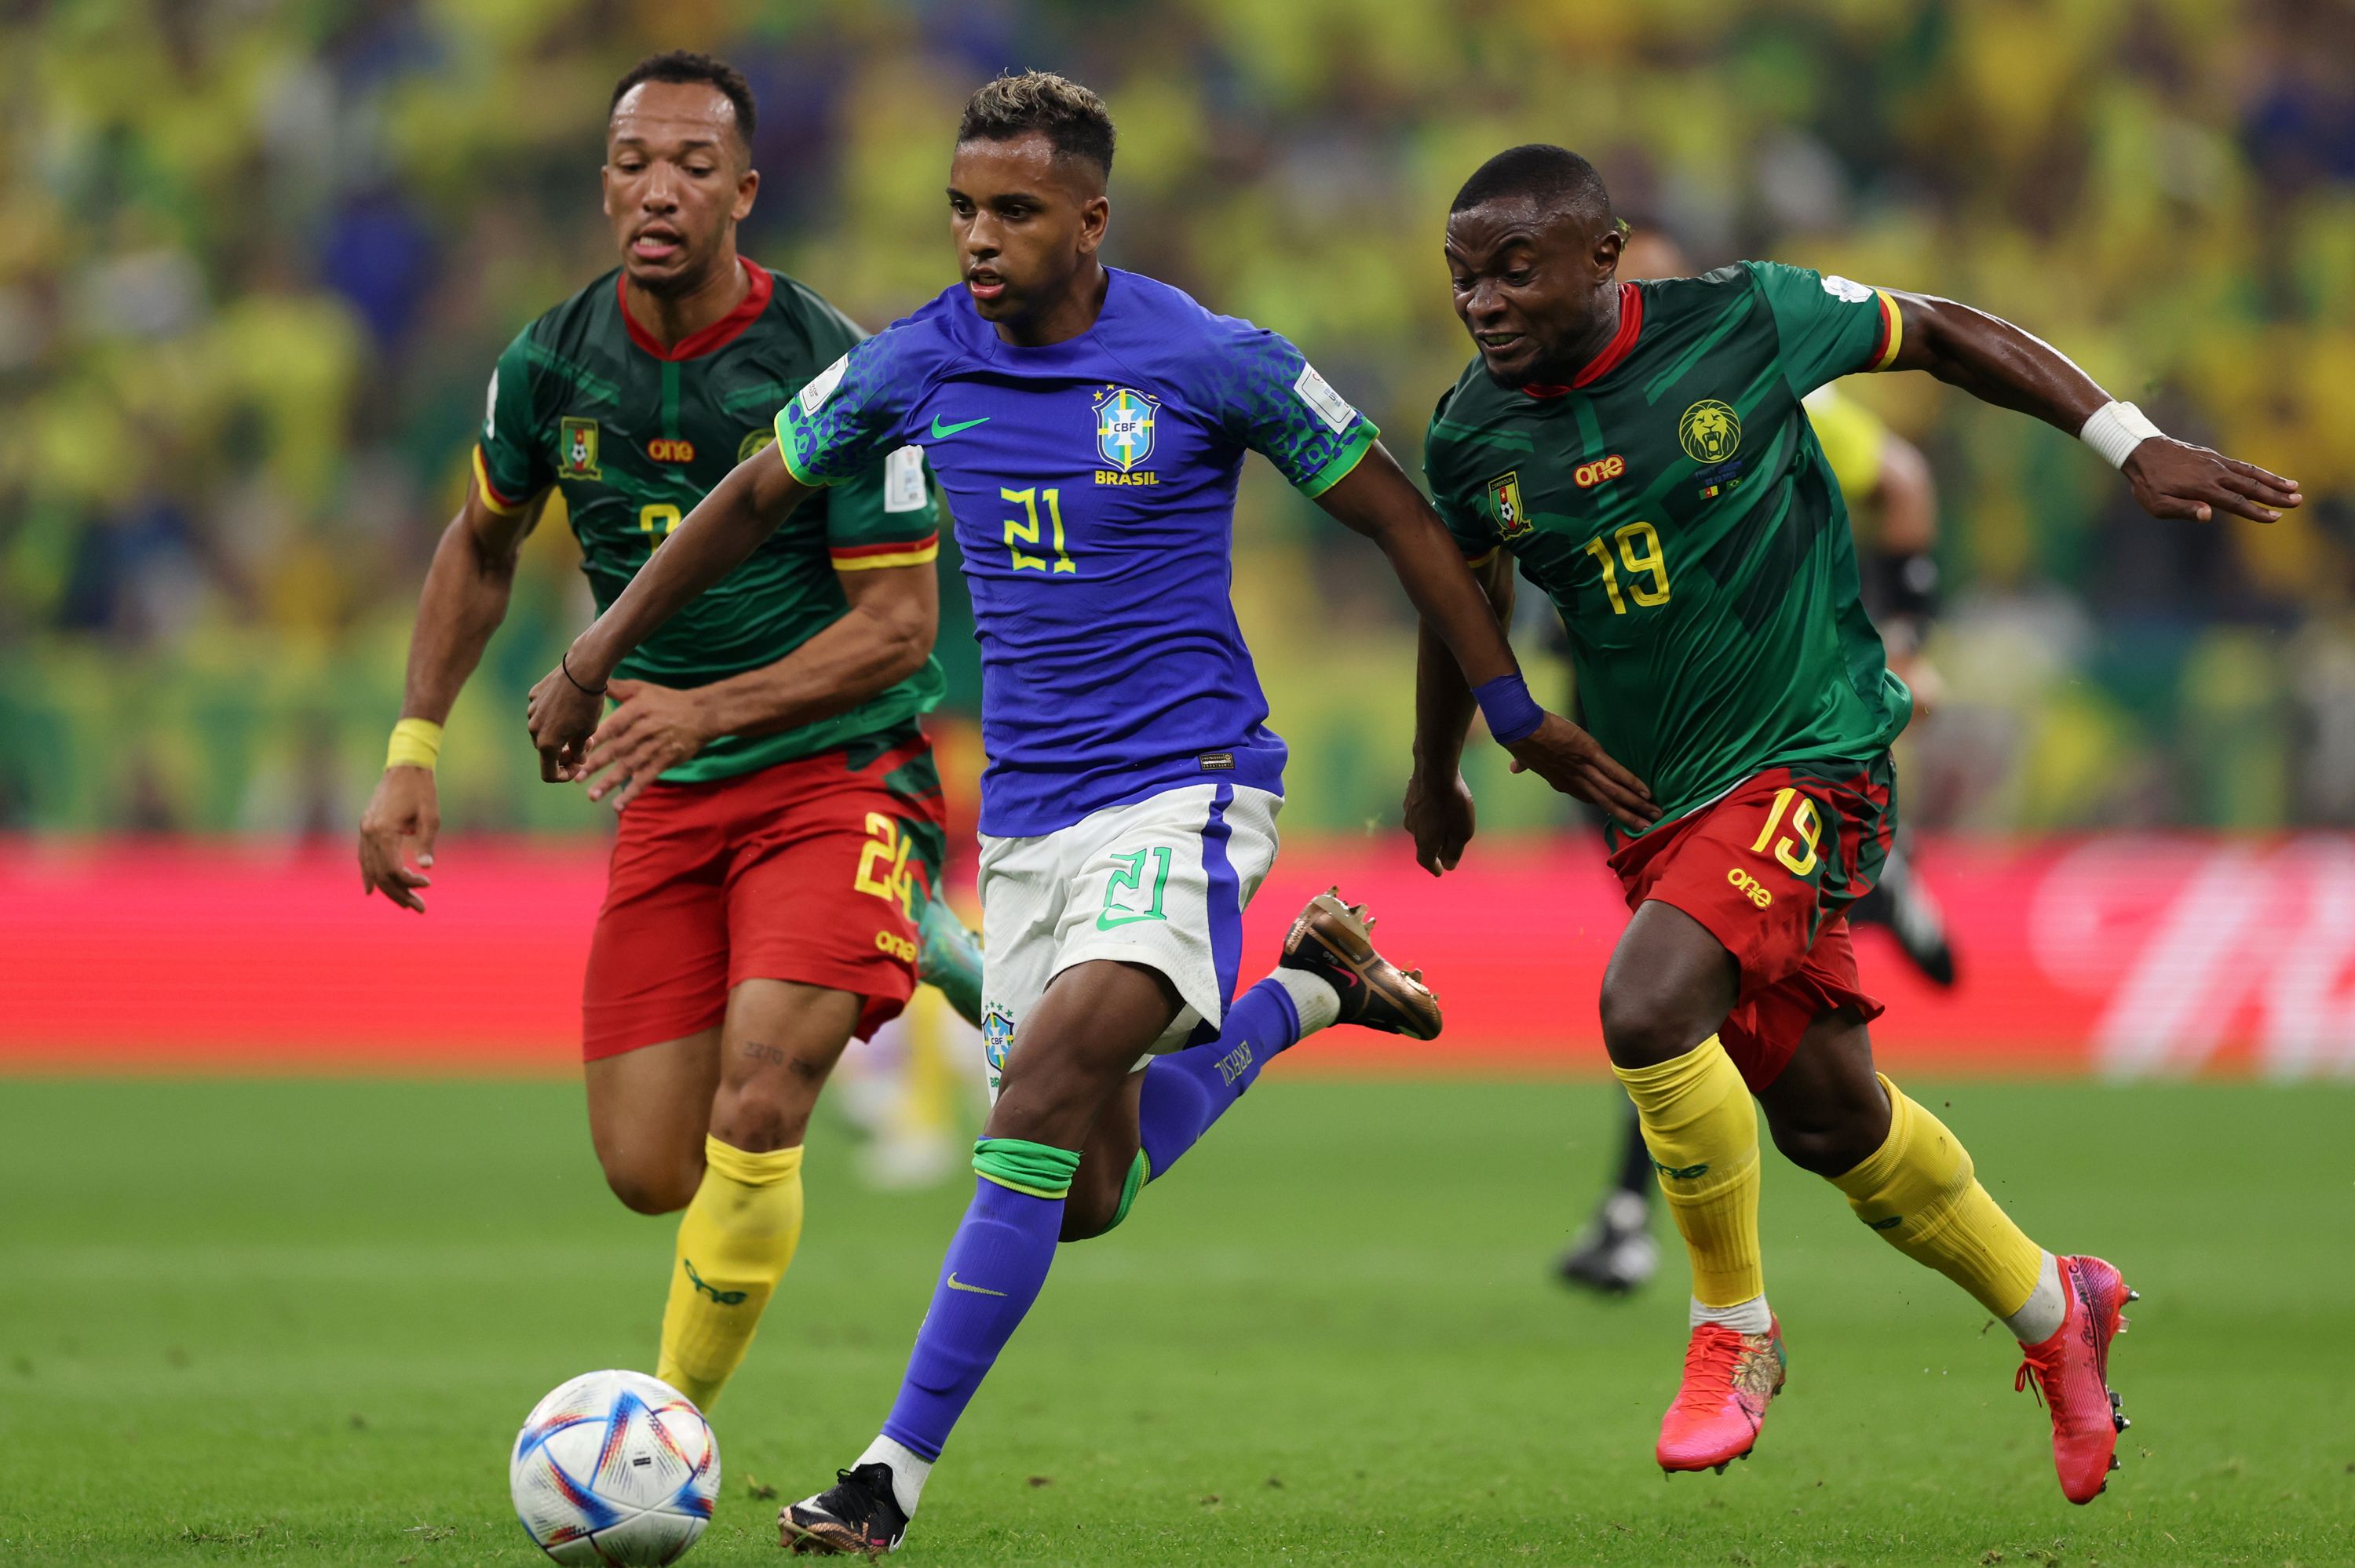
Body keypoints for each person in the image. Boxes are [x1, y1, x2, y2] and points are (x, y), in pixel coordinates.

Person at [524, 75, 1652, 1555]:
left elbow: (1398, 515)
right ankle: (1315, 987)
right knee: (1083, 1189)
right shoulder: (916, 358)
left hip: (1187, 793)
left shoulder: (1207, 357)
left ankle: (885, 1475)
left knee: (1042, 1097)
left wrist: (1494, 724)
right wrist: (595, 652)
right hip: (1034, 830)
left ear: (1092, 221)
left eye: (1014, 212)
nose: (977, 239)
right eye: (962, 210)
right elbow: (747, 497)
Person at [1408, 144, 2297, 1502]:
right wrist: (1442, 763)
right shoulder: (1473, 432)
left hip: (1814, 753)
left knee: (1647, 1006)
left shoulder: (1745, 322)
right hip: (1661, 800)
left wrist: (2127, 440)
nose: (1483, 301)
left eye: (1513, 269)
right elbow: (1457, 602)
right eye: (1465, 276)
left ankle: (1732, 1333)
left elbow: (1940, 330)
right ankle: (2060, 1308)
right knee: (1833, 1126)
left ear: (1605, 255)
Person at [355, 50, 985, 1419]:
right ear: (602, 185)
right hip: (673, 791)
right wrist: (413, 748)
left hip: (840, 770)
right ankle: (917, 942)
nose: (659, 190)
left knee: (760, 1099)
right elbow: (480, 546)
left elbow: (897, 633)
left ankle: (662, 1428)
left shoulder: (837, 366)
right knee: (651, 1167)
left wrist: (693, 702)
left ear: (746, 192)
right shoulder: (548, 364)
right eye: (636, 163)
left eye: (694, 166)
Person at [1559, 225, 1957, 1297]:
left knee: (1667, 978)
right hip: (1645, 736)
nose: (1630, 305)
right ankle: (2049, 1300)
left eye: (1652, 283)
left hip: (1767, 730)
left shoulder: (1743, 373)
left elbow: (1903, 478)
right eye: (1615, 284)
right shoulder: (1548, 415)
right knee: (1716, 1013)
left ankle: (1668, 1257)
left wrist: (1909, 634)